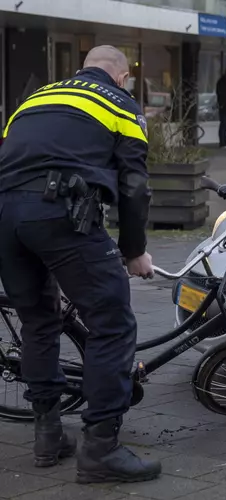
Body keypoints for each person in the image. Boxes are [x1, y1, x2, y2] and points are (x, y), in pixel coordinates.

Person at [0, 45, 161, 482]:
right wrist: (134, 251)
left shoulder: (35, 101)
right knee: (112, 322)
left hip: (5, 218)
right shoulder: (119, 103)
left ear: (83, 67)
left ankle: (48, 435)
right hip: (59, 213)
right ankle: (101, 450)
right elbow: (134, 184)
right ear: (122, 76)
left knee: (38, 322)